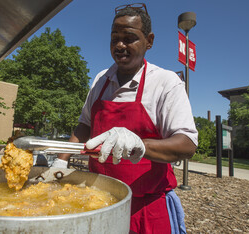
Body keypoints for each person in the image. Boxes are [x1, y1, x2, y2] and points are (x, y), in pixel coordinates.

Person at [52, 3, 198, 234]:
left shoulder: (165, 82)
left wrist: (140, 144)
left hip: (146, 207)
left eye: (129, 38)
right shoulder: (101, 79)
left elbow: (187, 144)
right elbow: (84, 126)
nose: (120, 45)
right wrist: (60, 163)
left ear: (149, 41)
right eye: (114, 38)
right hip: (98, 200)